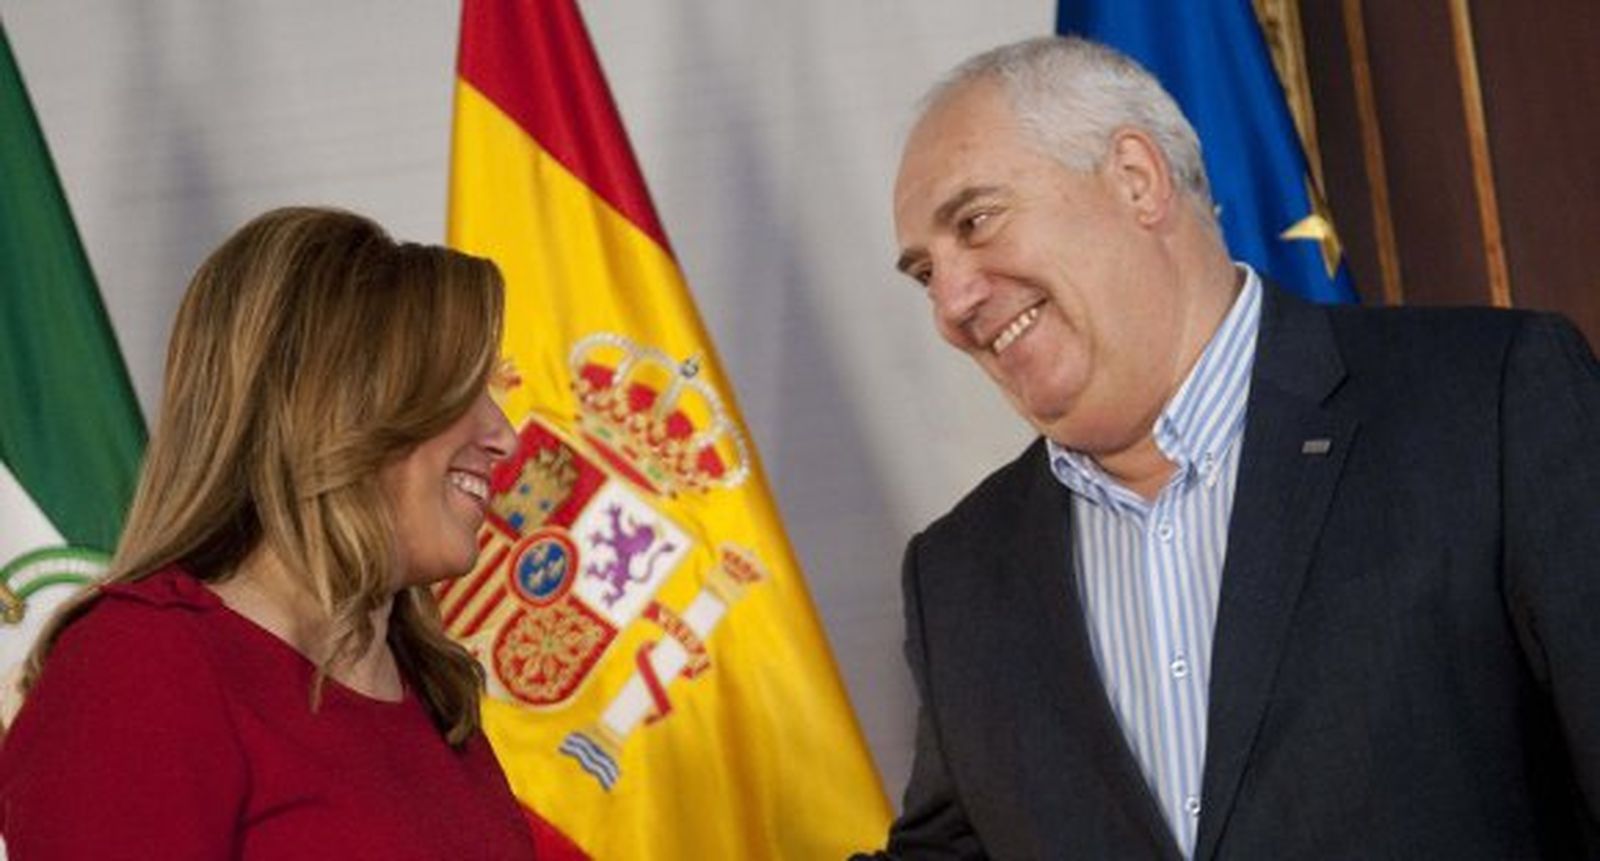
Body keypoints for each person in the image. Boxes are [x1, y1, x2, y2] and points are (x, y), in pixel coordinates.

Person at [865, 36, 1600, 859]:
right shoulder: (959, 572)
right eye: (925, 274)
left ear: (1136, 179)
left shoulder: (1488, 402)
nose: (952, 305)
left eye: (976, 222)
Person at [0, 207, 540, 858]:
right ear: (338, 407)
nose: (504, 437)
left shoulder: (432, 691)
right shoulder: (143, 664)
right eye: (458, 391)